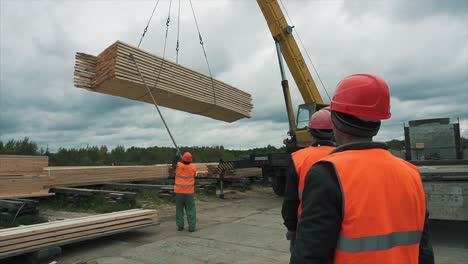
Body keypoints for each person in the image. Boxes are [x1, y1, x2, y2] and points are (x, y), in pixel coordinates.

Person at [294, 74, 434, 264]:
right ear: (377, 123)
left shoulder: (327, 173)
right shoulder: (410, 172)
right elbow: (424, 250)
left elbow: (310, 256)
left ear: (334, 119)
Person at [281, 108, 335, 259]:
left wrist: (291, 227)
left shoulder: (298, 158)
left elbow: (290, 200)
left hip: (305, 227)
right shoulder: (344, 154)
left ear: (311, 133)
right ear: (334, 131)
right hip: (340, 227)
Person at [173, 151, 197, 232]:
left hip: (179, 192)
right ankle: (192, 227)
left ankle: (180, 226)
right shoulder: (193, 167)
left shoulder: (179, 165)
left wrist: (176, 156)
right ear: (191, 160)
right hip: (189, 193)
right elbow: (188, 167)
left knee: (179, 210)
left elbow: (173, 164)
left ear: (182, 159)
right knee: (190, 210)